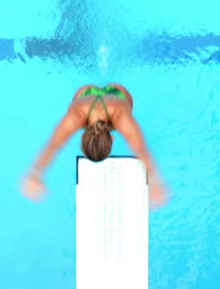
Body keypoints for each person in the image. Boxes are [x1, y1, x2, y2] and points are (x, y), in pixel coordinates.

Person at [21, 83, 170, 207]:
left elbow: (141, 149)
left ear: (112, 138)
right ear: (82, 136)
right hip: (85, 93)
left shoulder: (120, 117)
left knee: (127, 109)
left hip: (118, 94)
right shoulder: (77, 116)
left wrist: (155, 182)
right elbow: (53, 145)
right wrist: (35, 174)